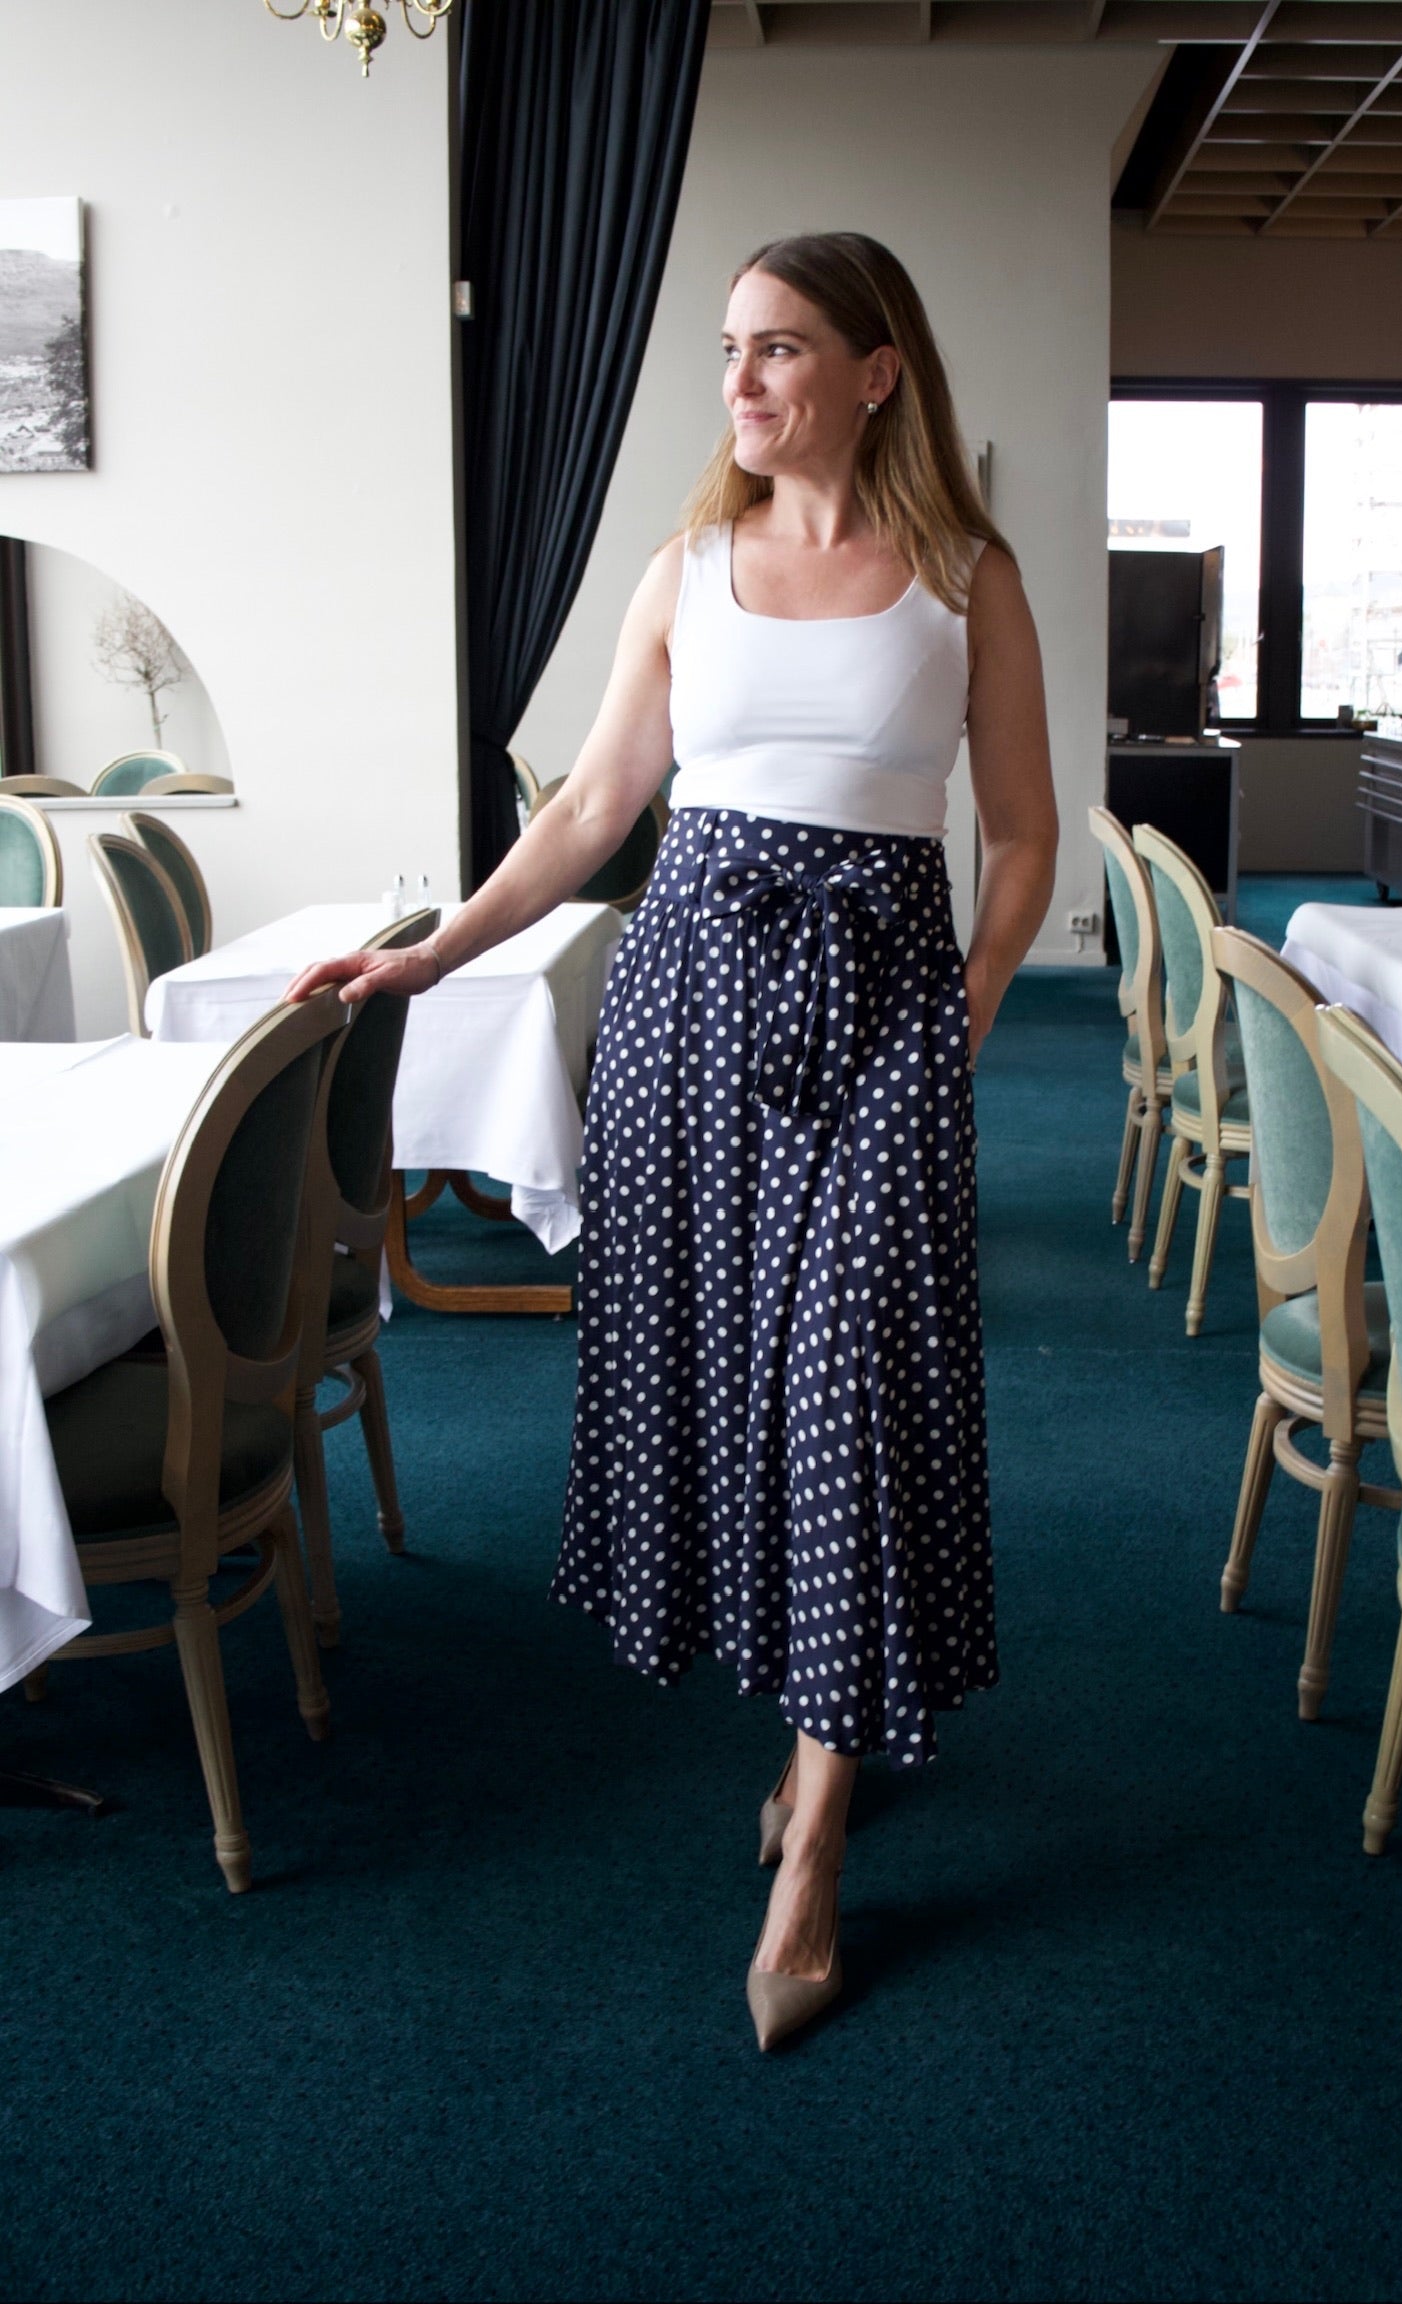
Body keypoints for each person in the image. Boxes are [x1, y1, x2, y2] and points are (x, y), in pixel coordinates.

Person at [286, 231, 1057, 2050]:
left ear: (877, 369)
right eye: (730, 349)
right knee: (731, 1389)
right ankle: (810, 1721)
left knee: (855, 1387)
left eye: (779, 347)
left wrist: (965, 1013)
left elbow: (1024, 834)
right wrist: (429, 952)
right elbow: (590, 809)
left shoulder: (966, 574)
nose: (741, 381)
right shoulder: (688, 567)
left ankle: (820, 1838)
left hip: (881, 1016)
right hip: (688, 1012)